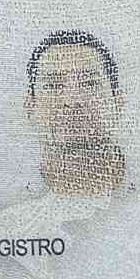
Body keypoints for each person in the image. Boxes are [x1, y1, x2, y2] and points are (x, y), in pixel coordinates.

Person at [24, 28, 128, 198]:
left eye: (90, 84)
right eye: (53, 85)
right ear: (30, 106)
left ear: (118, 101)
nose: (73, 101)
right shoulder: (7, 202)